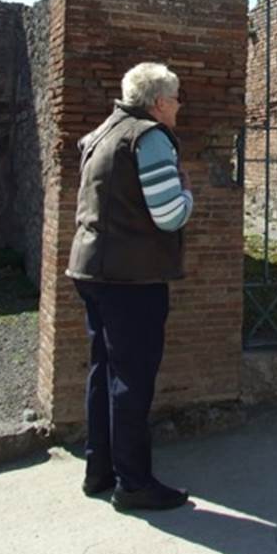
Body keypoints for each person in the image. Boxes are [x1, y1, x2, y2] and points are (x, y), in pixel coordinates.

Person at [66, 62, 194, 510]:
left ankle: (99, 469)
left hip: (93, 270)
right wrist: (188, 196)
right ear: (159, 102)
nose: (180, 105)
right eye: (176, 97)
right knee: (132, 380)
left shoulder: (104, 131)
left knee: (104, 370)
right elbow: (168, 214)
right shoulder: (149, 136)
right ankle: (134, 483)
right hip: (131, 277)